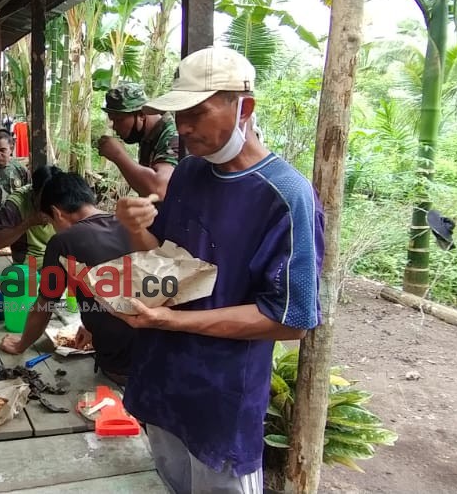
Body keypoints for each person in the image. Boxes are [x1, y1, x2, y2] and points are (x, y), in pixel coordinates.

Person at [111, 47, 324, 494]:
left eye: (197, 113)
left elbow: (289, 319)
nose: (184, 127)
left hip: (220, 401)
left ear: (244, 107)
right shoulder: (189, 173)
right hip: (163, 385)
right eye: (178, 113)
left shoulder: (285, 195)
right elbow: (166, 265)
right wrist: (135, 233)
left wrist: (170, 320)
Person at [0, 172, 136, 385]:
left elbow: (44, 305)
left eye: (50, 221)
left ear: (57, 213)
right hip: (156, 355)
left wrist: (20, 345)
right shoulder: (128, 224)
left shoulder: (63, 241)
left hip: (122, 367)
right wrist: (93, 326)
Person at [97, 82, 180, 198]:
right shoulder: (148, 135)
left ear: (141, 115)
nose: (114, 126)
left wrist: (118, 155)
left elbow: (160, 189)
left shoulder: (172, 135)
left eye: (119, 120)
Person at [0, 165, 60, 266]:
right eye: (44, 199)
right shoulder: (15, 204)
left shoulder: (64, 197)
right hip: (28, 263)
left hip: (59, 258)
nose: (49, 205)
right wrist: (29, 222)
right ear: (34, 191)